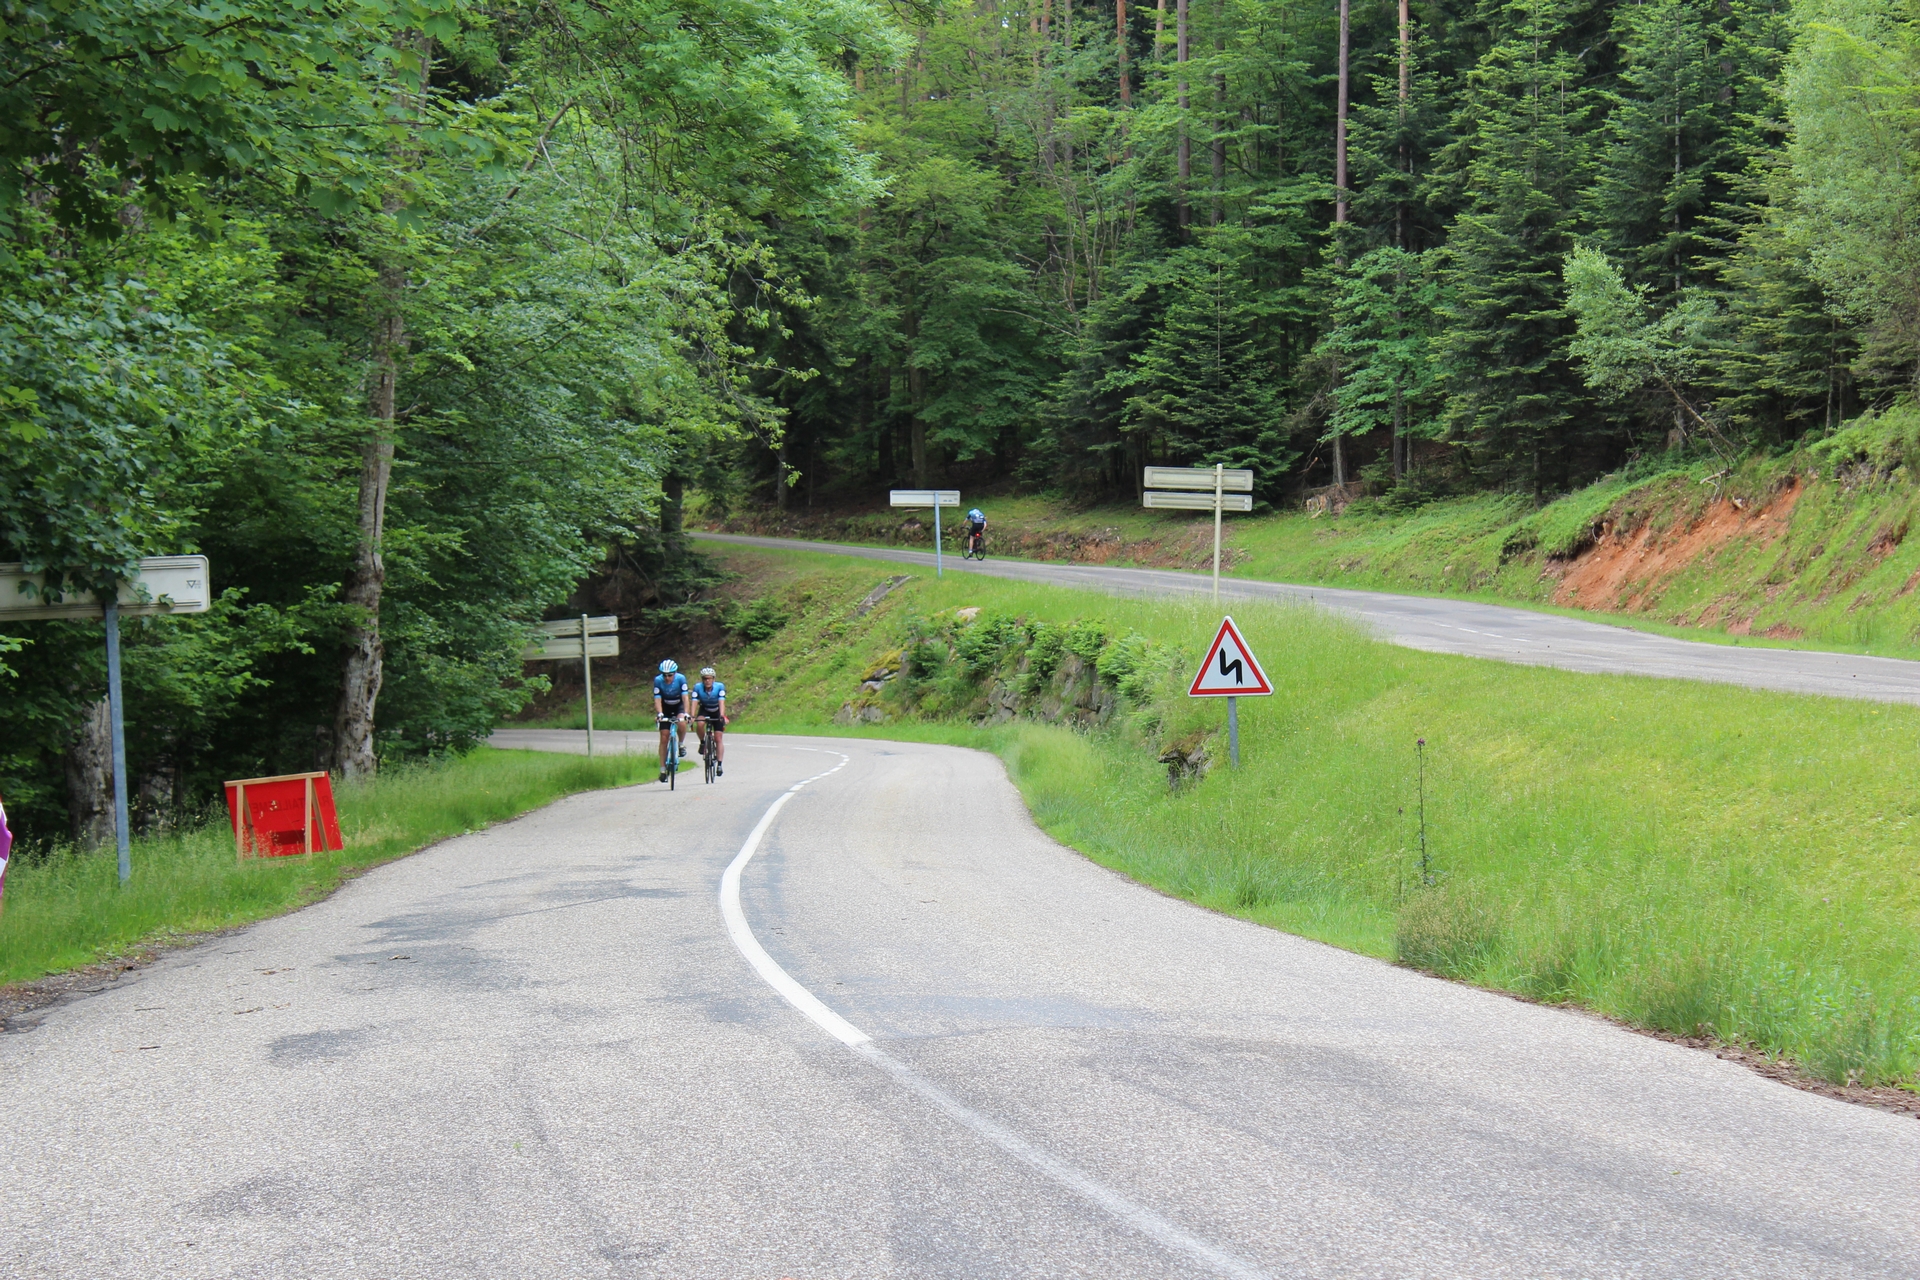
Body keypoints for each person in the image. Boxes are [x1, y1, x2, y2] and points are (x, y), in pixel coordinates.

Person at [652, 659, 691, 782]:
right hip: (666, 707)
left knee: (681, 722)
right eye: (664, 675)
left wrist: (686, 713)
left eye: (670, 675)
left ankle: (681, 744)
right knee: (664, 737)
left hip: (678, 705)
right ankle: (663, 770)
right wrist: (660, 713)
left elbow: (685, 698)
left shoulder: (681, 679)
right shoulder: (658, 680)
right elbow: (657, 699)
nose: (667, 678)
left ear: (675, 673)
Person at [691, 667, 729, 776]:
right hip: (705, 709)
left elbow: (721, 702)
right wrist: (692, 716)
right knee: (700, 723)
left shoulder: (719, 687)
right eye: (705, 679)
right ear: (702, 680)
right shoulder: (697, 687)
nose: (707, 681)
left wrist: (722, 715)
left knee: (718, 738)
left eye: (709, 678)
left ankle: (720, 764)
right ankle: (703, 742)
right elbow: (694, 702)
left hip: (716, 711)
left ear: (713, 679)